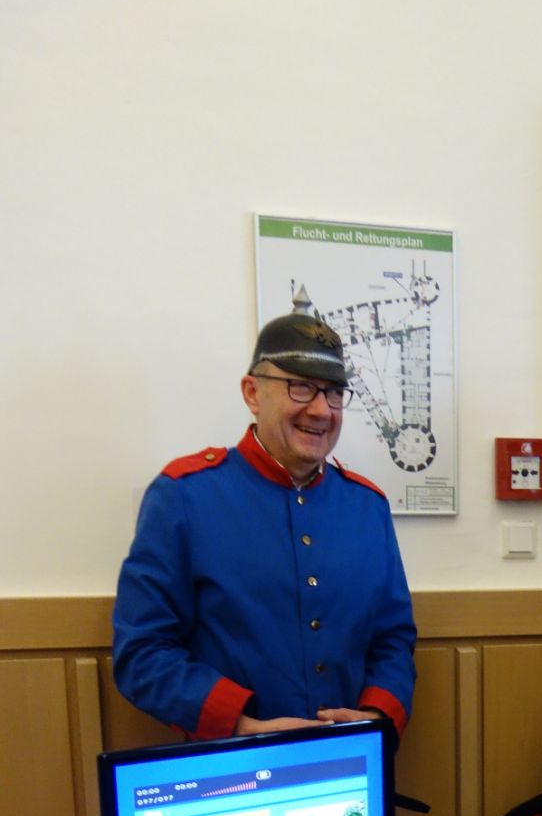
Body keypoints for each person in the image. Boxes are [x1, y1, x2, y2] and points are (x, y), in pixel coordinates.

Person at [113, 311, 416, 742]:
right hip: (233, 767)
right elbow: (142, 653)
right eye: (301, 387)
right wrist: (240, 725)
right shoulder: (183, 496)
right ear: (252, 392)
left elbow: (393, 640)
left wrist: (376, 715)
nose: (321, 410)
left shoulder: (367, 507)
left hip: (351, 760)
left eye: (333, 393)